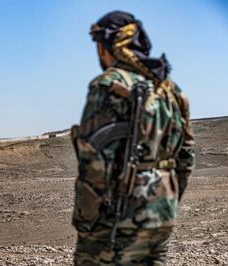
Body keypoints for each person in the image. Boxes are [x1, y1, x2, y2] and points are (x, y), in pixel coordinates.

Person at [71, 11, 195, 265]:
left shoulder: (108, 85)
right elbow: (186, 156)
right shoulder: (171, 90)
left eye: (99, 46)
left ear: (108, 46)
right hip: (161, 216)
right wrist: (166, 202)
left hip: (118, 221)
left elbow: (94, 164)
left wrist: (85, 223)